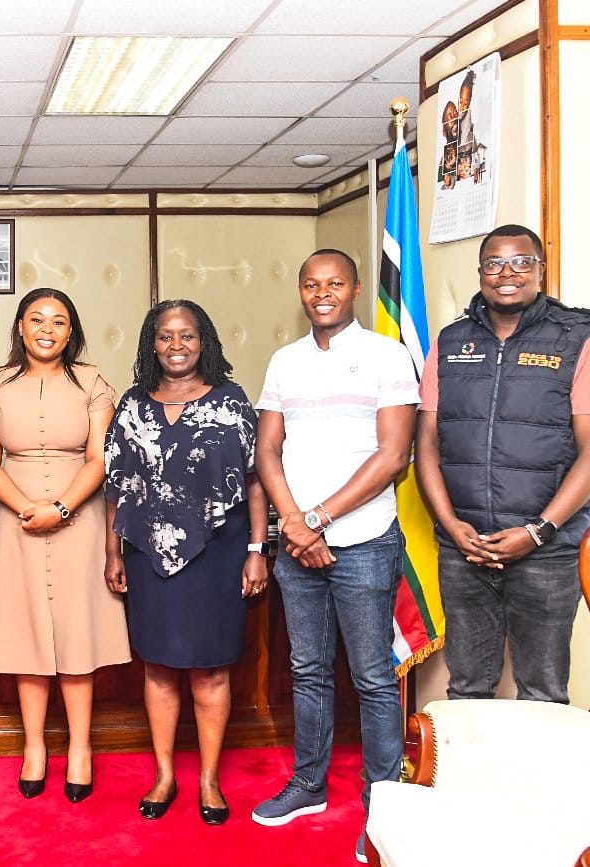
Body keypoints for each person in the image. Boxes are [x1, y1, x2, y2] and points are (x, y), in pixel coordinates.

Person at [250, 250, 419, 864]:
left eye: (335, 284)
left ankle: (385, 803)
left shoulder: (386, 354)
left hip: (365, 540)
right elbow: (268, 449)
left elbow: (393, 455)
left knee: (373, 677)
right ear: (301, 291)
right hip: (298, 542)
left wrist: (316, 519)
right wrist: (293, 524)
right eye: (312, 285)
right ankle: (308, 784)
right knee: (308, 669)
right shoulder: (285, 361)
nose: (323, 294)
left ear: (354, 289)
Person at [415, 224, 590, 704]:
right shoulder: (450, 341)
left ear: (540, 271)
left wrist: (537, 532)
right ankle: (472, 782)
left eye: (522, 262)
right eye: (494, 263)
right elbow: (427, 446)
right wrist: (451, 526)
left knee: (543, 693)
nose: (507, 273)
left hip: (547, 551)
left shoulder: (578, 342)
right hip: (466, 549)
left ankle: (533, 783)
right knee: (466, 688)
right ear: (480, 272)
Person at [104, 300, 269, 825]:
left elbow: (254, 480)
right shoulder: (131, 405)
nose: (177, 346)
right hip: (148, 552)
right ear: (151, 344)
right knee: (157, 667)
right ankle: (164, 775)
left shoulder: (232, 402)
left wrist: (256, 551)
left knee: (210, 668)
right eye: (165, 336)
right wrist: (114, 552)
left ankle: (209, 780)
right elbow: (117, 488)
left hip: (218, 552)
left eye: (188, 336)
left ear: (205, 342)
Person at [0, 288, 130, 803]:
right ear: (20, 327)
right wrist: (25, 508)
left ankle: (81, 749)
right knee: (28, 639)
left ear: (71, 331)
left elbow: (100, 458)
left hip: (79, 522)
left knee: (77, 637)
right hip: (16, 521)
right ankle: (34, 747)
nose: (47, 329)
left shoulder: (92, 382)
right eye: (36, 319)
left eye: (58, 321)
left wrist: (60, 508)